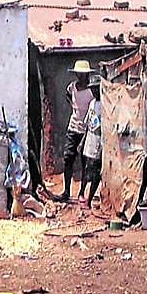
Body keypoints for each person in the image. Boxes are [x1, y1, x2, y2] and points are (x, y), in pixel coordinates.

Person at [60, 60, 93, 202]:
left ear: (87, 75)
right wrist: (75, 109)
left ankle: (81, 192)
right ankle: (66, 191)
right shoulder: (72, 87)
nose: (80, 76)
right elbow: (68, 96)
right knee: (68, 158)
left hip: (87, 130)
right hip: (73, 128)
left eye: (83, 74)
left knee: (85, 161)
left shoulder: (92, 90)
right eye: (78, 74)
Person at [80, 74, 103, 209]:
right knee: (87, 168)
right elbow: (88, 123)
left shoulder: (106, 104)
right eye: (92, 89)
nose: (94, 91)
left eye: (96, 88)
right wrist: (82, 141)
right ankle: (82, 194)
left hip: (99, 140)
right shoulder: (92, 103)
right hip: (90, 139)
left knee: (95, 171)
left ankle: (89, 200)